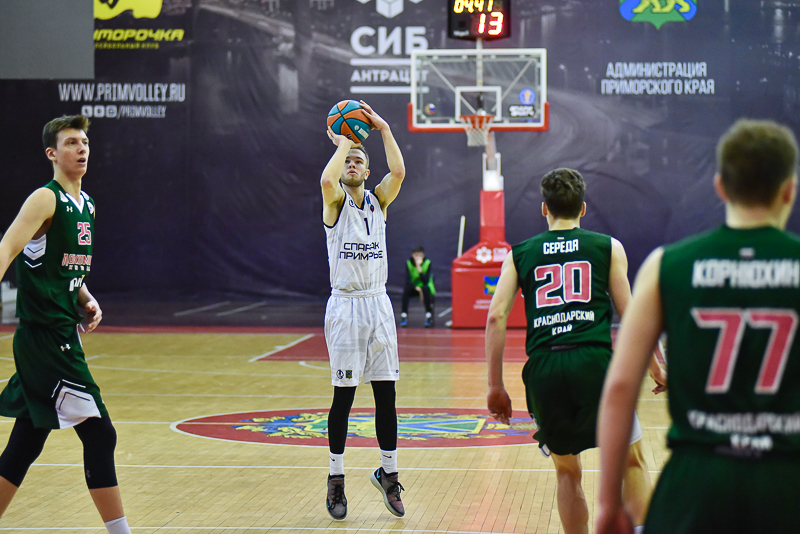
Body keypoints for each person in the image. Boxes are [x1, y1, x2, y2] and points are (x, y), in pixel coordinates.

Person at [595, 119, 800, 534]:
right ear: (789, 190)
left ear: (720, 187)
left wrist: (608, 502)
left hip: (695, 483)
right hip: (785, 480)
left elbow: (619, 388)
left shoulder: (665, 266)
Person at [485, 168, 666, 534]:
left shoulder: (520, 254)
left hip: (546, 368)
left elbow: (495, 317)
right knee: (631, 462)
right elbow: (632, 316)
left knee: (567, 472)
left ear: (544, 208)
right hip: (594, 364)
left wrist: (495, 386)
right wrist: (656, 368)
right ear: (583, 208)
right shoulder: (608, 247)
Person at [0, 116, 132, 534]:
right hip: (44, 338)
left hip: (61, 333)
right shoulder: (45, 198)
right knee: (101, 435)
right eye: (71, 142)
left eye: (84, 141)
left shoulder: (86, 205)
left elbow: (63, 267)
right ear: (52, 154)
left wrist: (85, 296)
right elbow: (8, 246)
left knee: (26, 443)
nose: (81, 148)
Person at [320, 100, 407, 520]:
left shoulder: (379, 201)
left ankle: (388, 473)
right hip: (346, 306)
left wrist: (384, 130)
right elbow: (326, 178)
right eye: (348, 160)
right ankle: (336, 479)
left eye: (359, 160)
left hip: (378, 304)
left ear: (368, 172)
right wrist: (344, 142)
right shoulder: (335, 201)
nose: (352, 164)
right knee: (344, 398)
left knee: (386, 395)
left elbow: (399, 172)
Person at [399, 246, 435, 328]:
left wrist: (419, 268)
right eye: (415, 255)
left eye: (419, 255)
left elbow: (426, 281)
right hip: (414, 287)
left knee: (426, 289)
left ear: (423, 255)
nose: (417, 257)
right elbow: (407, 280)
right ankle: (404, 316)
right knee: (406, 290)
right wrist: (416, 287)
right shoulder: (409, 263)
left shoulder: (427, 263)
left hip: (425, 287)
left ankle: (428, 317)